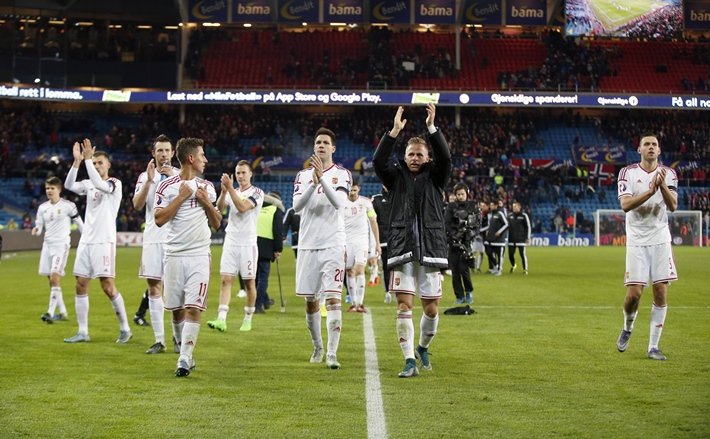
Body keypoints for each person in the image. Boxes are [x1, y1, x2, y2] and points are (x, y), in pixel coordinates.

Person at [373, 104, 451, 378]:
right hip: (402, 248)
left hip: (430, 249)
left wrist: (432, 128)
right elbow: (377, 161)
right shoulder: (395, 178)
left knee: (431, 308)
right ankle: (408, 360)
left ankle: (422, 346)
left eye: (420, 154)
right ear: (404, 157)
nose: (415, 158)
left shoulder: (436, 177)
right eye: (410, 154)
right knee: (404, 305)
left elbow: (446, 158)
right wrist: (394, 132)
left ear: (427, 158)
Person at [155, 137, 221, 377]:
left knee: (193, 308)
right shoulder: (166, 187)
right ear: (191, 158)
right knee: (176, 309)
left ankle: (184, 358)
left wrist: (206, 203)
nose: (205, 159)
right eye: (202, 155)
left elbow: (216, 223)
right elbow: (159, 219)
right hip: (173, 255)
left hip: (199, 255)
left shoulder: (207, 188)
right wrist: (182, 197)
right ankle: (182, 347)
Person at [292, 127, 351, 370]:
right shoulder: (302, 175)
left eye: (326, 142)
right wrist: (313, 181)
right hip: (308, 244)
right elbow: (296, 206)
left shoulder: (342, 174)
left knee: (334, 299)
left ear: (333, 148)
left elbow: (338, 203)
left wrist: (322, 179)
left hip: (333, 244)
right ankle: (317, 346)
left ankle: (332, 353)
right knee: (310, 301)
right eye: (318, 142)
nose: (321, 145)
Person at [616, 133, 678, 361]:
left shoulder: (669, 174)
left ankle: (653, 346)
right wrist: (649, 191)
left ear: (659, 151)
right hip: (637, 240)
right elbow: (625, 205)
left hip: (661, 238)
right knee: (634, 295)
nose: (651, 147)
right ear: (639, 150)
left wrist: (661, 186)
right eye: (646, 144)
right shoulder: (628, 173)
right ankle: (627, 327)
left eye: (654, 144)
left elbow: (673, 206)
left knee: (661, 290)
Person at [63, 139, 132, 344]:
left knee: (107, 286)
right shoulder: (89, 184)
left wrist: (87, 162)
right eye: (95, 163)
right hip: (86, 241)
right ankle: (83, 332)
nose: (97, 165)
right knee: (80, 284)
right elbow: (68, 185)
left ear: (108, 164)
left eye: (100, 162)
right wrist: (77, 162)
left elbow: (100, 184)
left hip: (104, 241)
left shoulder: (114, 183)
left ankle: (125, 328)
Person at [131, 134, 179, 354]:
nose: (163, 154)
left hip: (175, 238)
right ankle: (160, 340)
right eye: (159, 150)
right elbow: (137, 205)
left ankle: (179, 339)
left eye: (167, 150)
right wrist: (150, 181)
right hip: (152, 237)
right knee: (153, 287)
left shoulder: (180, 175)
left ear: (173, 153)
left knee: (176, 290)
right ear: (153, 153)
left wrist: (174, 181)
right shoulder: (144, 176)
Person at [207, 160, 263, 332]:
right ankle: (221, 319)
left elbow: (242, 207)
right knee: (225, 280)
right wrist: (224, 192)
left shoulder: (258, 193)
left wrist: (230, 189)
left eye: (243, 172)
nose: (240, 176)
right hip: (231, 241)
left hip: (247, 243)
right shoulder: (233, 191)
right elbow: (219, 208)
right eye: (238, 173)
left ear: (251, 174)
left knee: (249, 284)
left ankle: (248, 318)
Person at [33, 176, 84, 323]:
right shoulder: (42, 208)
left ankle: (49, 313)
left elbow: (81, 225)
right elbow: (39, 227)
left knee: (55, 277)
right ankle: (62, 313)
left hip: (61, 245)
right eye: (47, 188)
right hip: (47, 246)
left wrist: (88, 239)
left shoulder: (69, 206)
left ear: (59, 189)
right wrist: (35, 230)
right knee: (51, 280)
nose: (49, 191)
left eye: (52, 188)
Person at [343, 180, 380, 313]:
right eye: (350, 190)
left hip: (361, 242)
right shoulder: (341, 203)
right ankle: (354, 304)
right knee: (349, 271)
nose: (352, 193)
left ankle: (360, 303)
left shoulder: (366, 203)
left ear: (358, 189)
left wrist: (377, 244)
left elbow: (373, 222)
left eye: (354, 190)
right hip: (346, 242)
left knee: (359, 270)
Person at [444, 182, 479, 304]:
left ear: (467, 194)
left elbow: (476, 225)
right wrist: (454, 237)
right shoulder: (450, 207)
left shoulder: (472, 206)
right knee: (455, 271)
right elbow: (447, 224)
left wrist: (469, 235)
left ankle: (469, 292)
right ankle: (459, 296)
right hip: (453, 243)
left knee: (464, 270)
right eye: (458, 194)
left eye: (462, 194)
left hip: (466, 243)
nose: (460, 196)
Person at [255, 192, 284, 313]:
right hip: (266, 247)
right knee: (263, 278)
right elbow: (277, 232)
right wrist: (278, 249)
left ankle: (265, 300)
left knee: (255, 277)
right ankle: (257, 306)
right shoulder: (275, 210)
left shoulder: (255, 207)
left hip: (251, 244)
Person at [371, 186, 393, 302]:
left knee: (400, 267)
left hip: (399, 239)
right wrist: (375, 241)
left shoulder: (400, 196)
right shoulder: (376, 199)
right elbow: (372, 219)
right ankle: (388, 292)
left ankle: (399, 290)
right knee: (386, 266)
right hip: (384, 239)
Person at [482, 200, 508, 276]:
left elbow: (506, 224)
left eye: (492, 205)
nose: (491, 207)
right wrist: (486, 231)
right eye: (490, 205)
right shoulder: (492, 214)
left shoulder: (500, 213)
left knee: (500, 255)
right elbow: (490, 226)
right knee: (488, 252)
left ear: (496, 206)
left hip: (500, 239)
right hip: (492, 238)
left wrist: (500, 231)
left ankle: (499, 270)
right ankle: (496, 266)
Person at [507, 201, 531, 275]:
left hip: (521, 238)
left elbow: (528, 227)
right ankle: (514, 265)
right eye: (513, 207)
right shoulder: (510, 216)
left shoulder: (524, 215)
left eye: (516, 207)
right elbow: (506, 226)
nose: (514, 208)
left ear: (519, 207)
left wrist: (528, 237)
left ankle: (525, 269)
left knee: (522, 254)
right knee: (510, 254)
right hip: (511, 238)